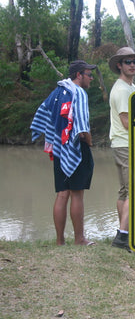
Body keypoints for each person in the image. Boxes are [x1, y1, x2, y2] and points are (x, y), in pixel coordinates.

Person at [30, 60, 97, 246]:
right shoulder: (80, 93)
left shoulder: (57, 92)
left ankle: (60, 241)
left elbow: (42, 114)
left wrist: (48, 136)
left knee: (62, 193)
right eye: (88, 74)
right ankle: (79, 239)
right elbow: (82, 128)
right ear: (79, 75)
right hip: (76, 148)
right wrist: (90, 143)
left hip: (60, 148)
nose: (91, 78)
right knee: (77, 194)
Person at [108, 47, 135, 250]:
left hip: (122, 144)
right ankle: (123, 237)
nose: (132, 65)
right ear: (119, 65)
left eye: (134, 61)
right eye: (128, 62)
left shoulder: (130, 87)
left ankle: (124, 231)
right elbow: (126, 121)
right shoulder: (122, 90)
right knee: (134, 191)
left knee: (124, 191)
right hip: (125, 144)